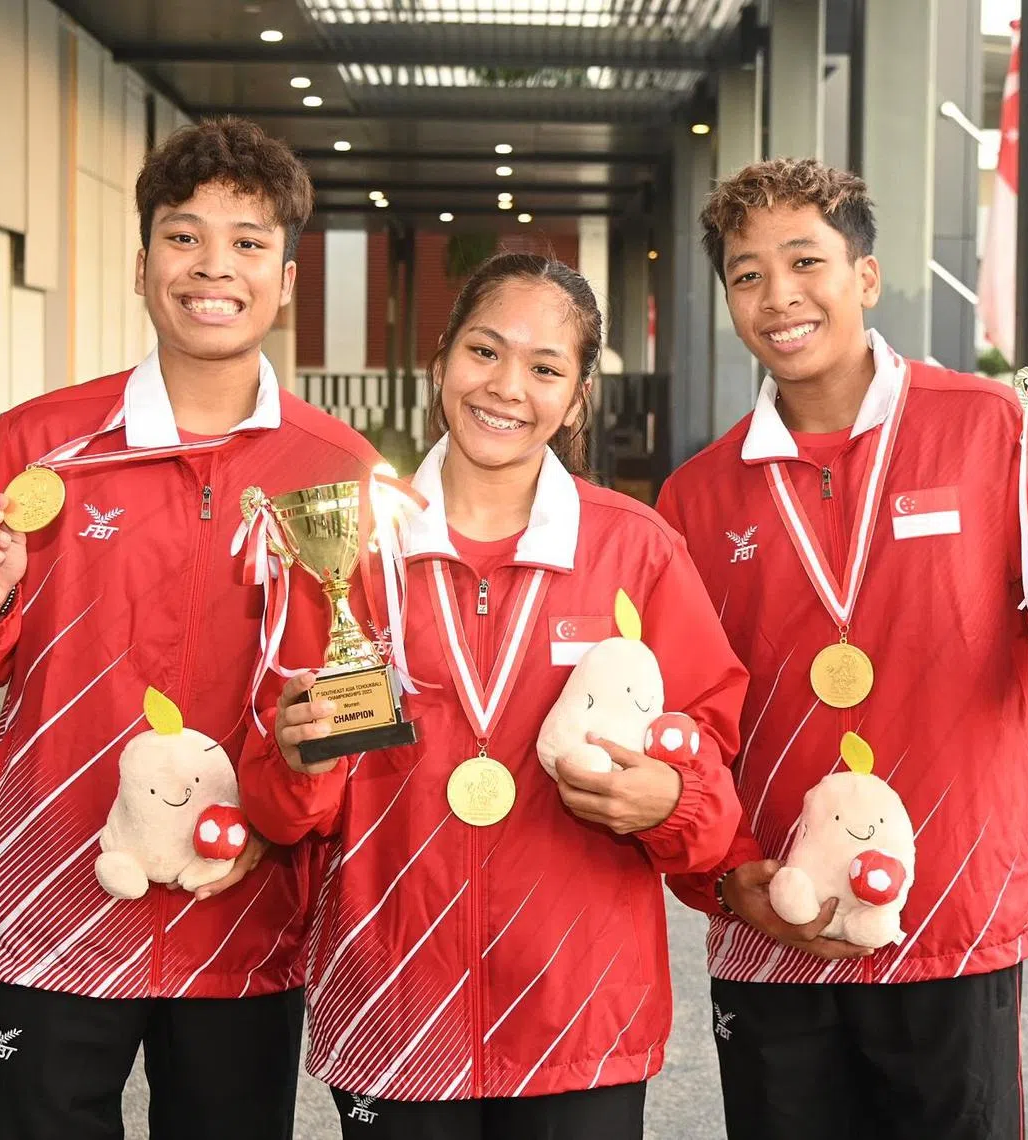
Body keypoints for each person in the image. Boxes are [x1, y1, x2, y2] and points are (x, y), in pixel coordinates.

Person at [655, 156, 1028, 1140]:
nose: (779, 296)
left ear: (864, 279)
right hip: (774, 916)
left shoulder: (991, 430)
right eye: (747, 275)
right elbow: (685, 726)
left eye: (806, 262)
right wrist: (724, 874)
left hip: (954, 916)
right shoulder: (697, 497)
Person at [238, 252, 750, 1140]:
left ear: (579, 395)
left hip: (577, 1007)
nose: (508, 387)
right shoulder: (352, 545)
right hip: (395, 1006)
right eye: (485, 351)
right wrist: (296, 755)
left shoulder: (637, 550)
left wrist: (672, 799)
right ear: (441, 361)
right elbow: (284, 813)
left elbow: (707, 760)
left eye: (546, 368)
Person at [0, 118, 381, 1139]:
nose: (215, 266)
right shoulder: (37, 448)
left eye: (250, 242)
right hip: (51, 904)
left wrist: (289, 811)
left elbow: (363, 694)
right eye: (185, 235)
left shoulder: (340, 469)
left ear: (287, 279)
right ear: (141, 264)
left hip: (245, 910)